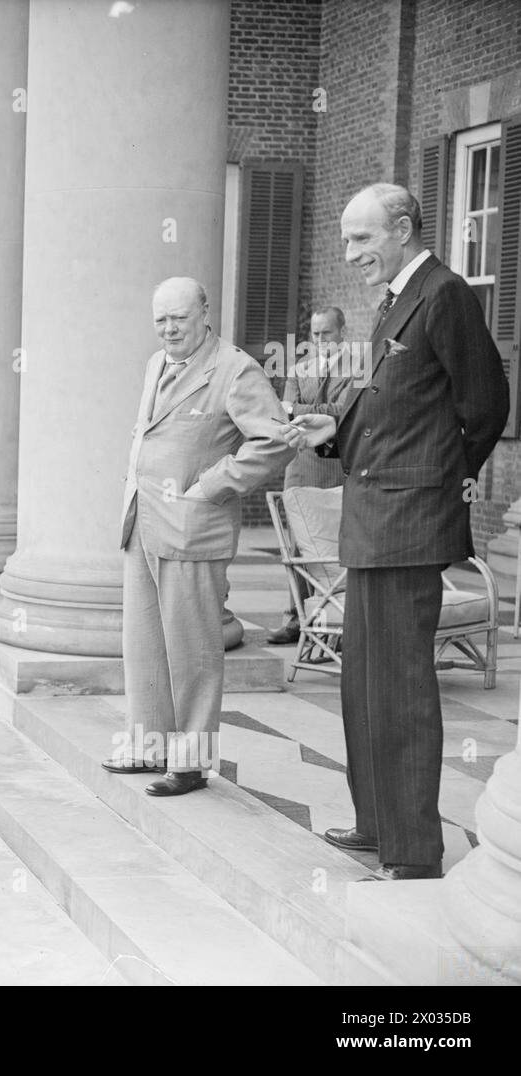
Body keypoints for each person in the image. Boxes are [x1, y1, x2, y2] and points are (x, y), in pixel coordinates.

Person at [285, 183, 509, 881]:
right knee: (366, 684)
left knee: (403, 688)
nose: (350, 254)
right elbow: (394, 408)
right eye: (347, 240)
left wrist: (441, 479)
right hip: (375, 518)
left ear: (404, 229)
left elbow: (487, 403)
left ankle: (414, 850)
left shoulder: (443, 294)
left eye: (361, 239)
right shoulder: (393, 304)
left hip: (409, 522)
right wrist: (334, 435)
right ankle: (379, 826)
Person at [111, 276, 293, 796]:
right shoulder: (154, 364)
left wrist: (210, 486)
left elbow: (276, 442)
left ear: (205, 313)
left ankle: (189, 763)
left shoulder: (235, 369)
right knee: (144, 644)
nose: (169, 328)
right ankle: (149, 745)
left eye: (179, 318)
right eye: (161, 319)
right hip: (141, 522)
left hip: (193, 528)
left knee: (192, 650)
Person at [266, 306, 351, 647]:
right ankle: (296, 618)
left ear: (342, 332)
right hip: (300, 463)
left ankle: (334, 615)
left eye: (326, 333)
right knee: (297, 540)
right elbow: (281, 413)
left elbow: (344, 412)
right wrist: (304, 412)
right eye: (315, 334)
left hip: (335, 464)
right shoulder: (299, 368)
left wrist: (299, 409)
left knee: (334, 540)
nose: (319, 340)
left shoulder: (357, 368)